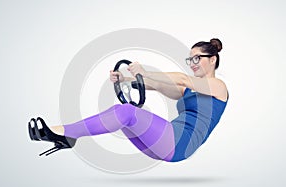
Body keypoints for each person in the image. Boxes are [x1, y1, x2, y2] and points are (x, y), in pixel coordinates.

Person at [28, 38, 228, 162]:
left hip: (179, 142)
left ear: (212, 60)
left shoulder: (219, 87)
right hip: (165, 145)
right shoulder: (188, 90)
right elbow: (157, 85)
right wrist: (126, 79)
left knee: (126, 112)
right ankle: (69, 135)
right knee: (123, 114)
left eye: (197, 58)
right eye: (190, 59)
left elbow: (183, 79)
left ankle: (68, 133)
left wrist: (146, 71)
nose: (192, 63)